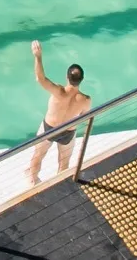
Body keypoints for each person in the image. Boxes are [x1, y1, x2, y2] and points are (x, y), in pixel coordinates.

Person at [26, 41, 90, 184]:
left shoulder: (58, 92)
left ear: (67, 77)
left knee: (38, 156)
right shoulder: (85, 100)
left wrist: (38, 57)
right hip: (68, 132)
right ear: (81, 80)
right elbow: (84, 118)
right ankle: (58, 185)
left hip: (49, 128)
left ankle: (32, 180)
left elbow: (40, 79)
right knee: (64, 163)